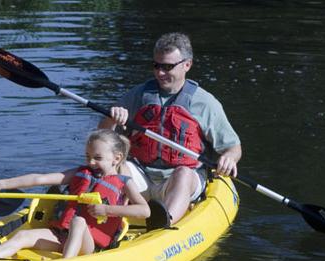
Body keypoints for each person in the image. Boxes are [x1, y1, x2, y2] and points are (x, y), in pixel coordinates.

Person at [98, 32, 242, 225]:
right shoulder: (139, 95)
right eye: (156, 66)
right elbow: (103, 138)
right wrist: (111, 118)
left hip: (179, 179)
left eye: (167, 67)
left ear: (187, 65)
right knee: (116, 164)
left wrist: (229, 158)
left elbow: (233, 147)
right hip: (141, 175)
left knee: (183, 173)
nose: (160, 73)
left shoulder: (205, 103)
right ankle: (105, 216)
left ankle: (165, 222)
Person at [0, 129, 150, 259]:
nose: (91, 162)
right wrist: (3, 183)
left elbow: (144, 210)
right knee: (22, 235)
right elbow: (40, 179)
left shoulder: (124, 182)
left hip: (89, 244)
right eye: (88, 156)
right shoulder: (79, 173)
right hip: (61, 236)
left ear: (116, 158)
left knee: (78, 221)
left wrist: (107, 210)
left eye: (98, 157)